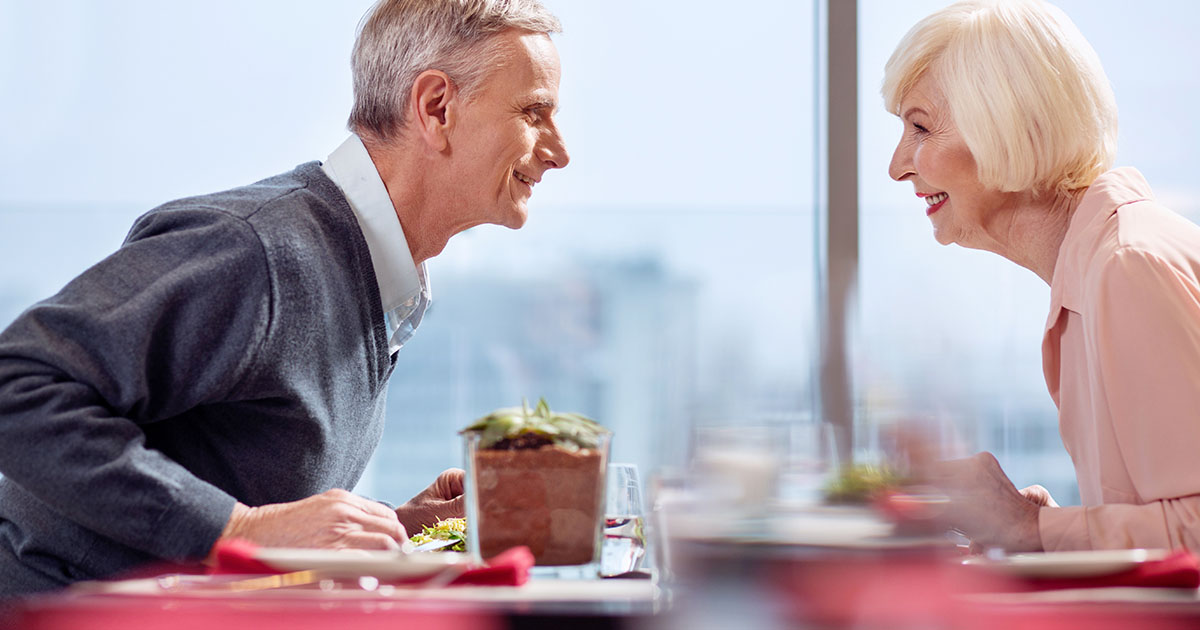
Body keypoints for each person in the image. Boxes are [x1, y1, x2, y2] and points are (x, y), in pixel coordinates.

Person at [0, 0, 569, 597]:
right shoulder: (254, 249)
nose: (559, 151)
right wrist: (240, 529)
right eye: (535, 112)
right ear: (437, 108)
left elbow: (237, 480)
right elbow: (17, 386)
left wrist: (395, 530)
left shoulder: (372, 275)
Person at [885, 0, 1200, 552]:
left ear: (1006, 126)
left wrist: (1031, 530)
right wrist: (1051, 529)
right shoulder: (1094, 274)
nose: (897, 165)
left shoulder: (1127, 267)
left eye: (920, 128)